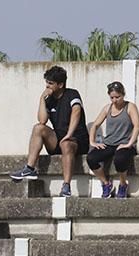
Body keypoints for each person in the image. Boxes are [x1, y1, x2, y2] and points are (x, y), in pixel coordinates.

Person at [9, 65, 88, 197]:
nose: (47, 86)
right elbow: (42, 120)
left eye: (50, 83)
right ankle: (29, 169)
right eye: (47, 83)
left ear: (61, 84)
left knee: (66, 143)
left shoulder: (72, 94)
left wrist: (69, 135)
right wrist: (42, 99)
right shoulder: (49, 100)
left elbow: (76, 112)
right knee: (38, 128)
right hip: (58, 140)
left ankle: (66, 186)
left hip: (77, 140)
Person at [86, 81, 139, 199]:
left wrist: (130, 143)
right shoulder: (107, 108)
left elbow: (137, 126)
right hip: (109, 143)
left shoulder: (130, 107)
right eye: (112, 97)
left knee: (120, 159)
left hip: (125, 144)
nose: (115, 100)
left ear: (123, 95)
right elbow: (95, 125)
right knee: (91, 158)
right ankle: (106, 184)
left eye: (118, 97)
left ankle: (122, 184)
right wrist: (92, 142)